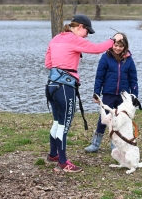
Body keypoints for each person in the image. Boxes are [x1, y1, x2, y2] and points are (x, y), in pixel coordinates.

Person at [44, 14, 123, 173]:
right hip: (65, 88)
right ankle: (63, 162)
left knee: (57, 122)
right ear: (80, 27)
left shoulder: (56, 39)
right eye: (87, 31)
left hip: (51, 86)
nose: (87, 35)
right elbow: (97, 49)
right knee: (64, 126)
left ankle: (53, 155)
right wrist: (113, 40)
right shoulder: (73, 39)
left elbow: (48, 63)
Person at [84, 32, 138, 153]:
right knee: (103, 119)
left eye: (121, 46)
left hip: (123, 97)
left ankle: (115, 144)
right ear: (112, 45)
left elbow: (133, 79)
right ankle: (95, 143)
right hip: (108, 94)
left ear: (125, 47)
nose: (118, 48)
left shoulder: (129, 60)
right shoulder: (105, 57)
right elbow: (99, 77)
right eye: (116, 45)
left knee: (120, 120)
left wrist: (134, 96)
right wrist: (96, 93)